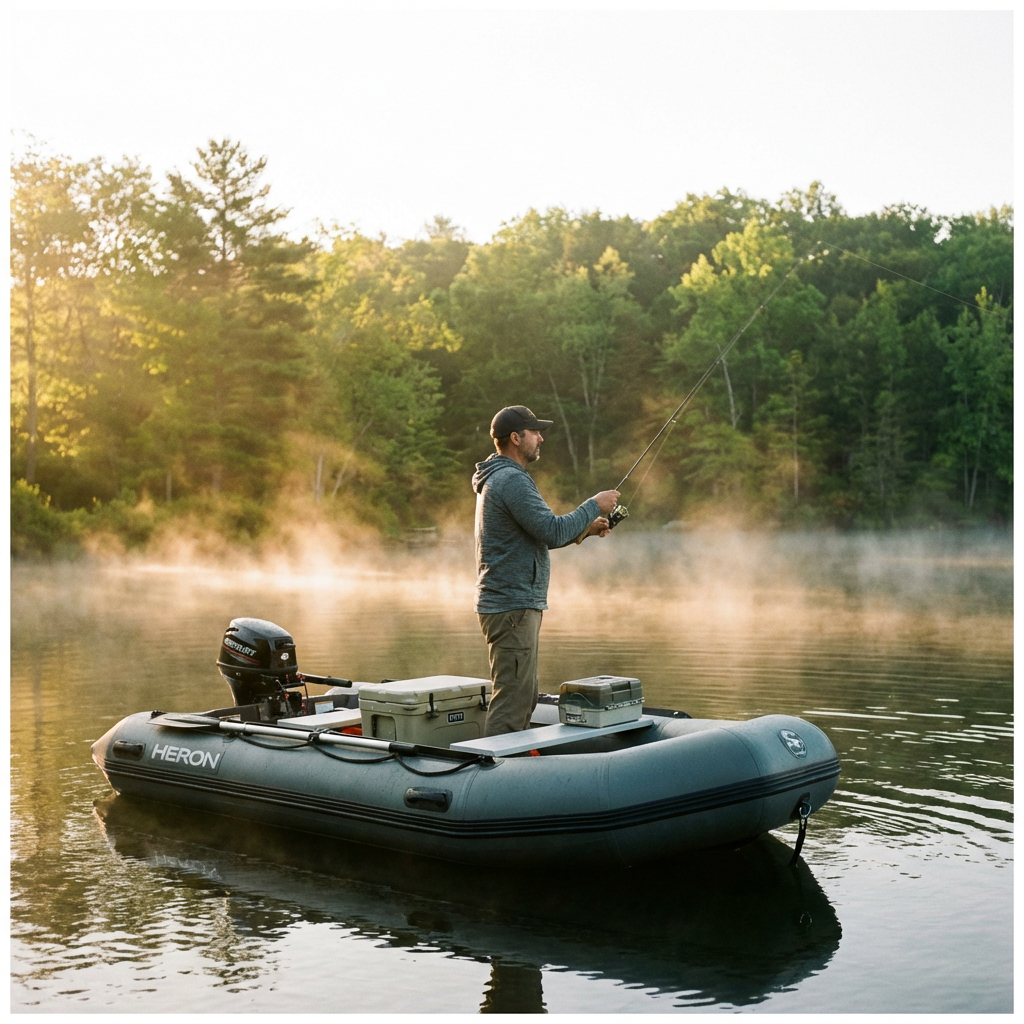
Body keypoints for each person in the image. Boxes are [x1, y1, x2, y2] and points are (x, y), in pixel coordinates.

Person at [472, 405, 620, 736]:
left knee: (523, 693)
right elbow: (551, 529)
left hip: (513, 604)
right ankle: (495, 775)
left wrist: (585, 529)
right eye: (535, 432)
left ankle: (507, 769)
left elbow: (540, 535)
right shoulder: (511, 480)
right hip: (511, 606)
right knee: (514, 698)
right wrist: (593, 505)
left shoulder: (502, 478)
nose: (541, 438)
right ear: (515, 438)